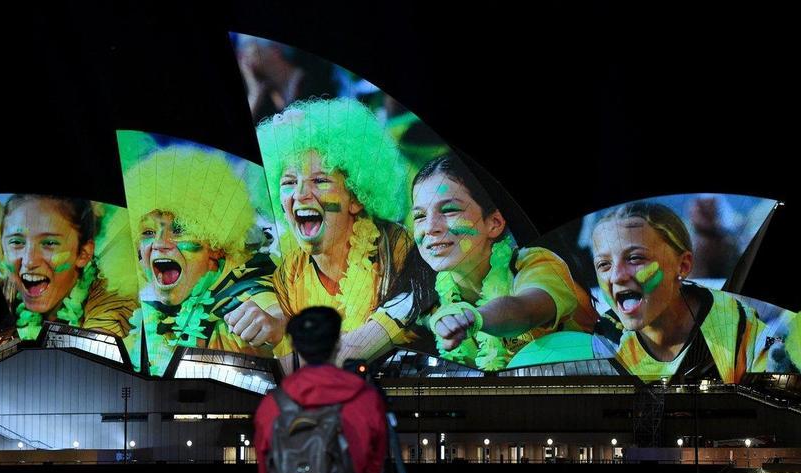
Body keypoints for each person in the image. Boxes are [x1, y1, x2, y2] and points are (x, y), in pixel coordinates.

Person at [252, 97, 419, 367]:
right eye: (289, 182)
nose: (300, 194)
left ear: (356, 197)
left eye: (320, 180)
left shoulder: (397, 248)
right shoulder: (288, 273)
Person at [410, 154, 597, 370]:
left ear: (494, 223)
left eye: (449, 210)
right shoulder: (429, 298)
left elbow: (524, 311)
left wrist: (476, 318)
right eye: (420, 216)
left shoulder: (536, 264)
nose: (431, 227)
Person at [121, 145, 281, 376]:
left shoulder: (246, 293)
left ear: (216, 245)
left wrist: (275, 325)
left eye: (179, 230)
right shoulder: (146, 312)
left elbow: (269, 310)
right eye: (147, 232)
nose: (159, 243)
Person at [589, 201, 772, 383]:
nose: (616, 276)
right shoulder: (607, 337)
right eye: (604, 264)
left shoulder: (737, 326)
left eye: (635, 258)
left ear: (683, 266)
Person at [254, 307, 386, 473]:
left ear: (294, 346)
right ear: (338, 343)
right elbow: (375, 465)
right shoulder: (366, 398)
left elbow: (265, 468)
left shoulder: (272, 405)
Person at [0, 195, 137, 340]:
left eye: (50, 243)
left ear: (83, 254)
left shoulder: (111, 303)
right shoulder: (5, 290)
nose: (29, 261)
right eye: (16, 241)